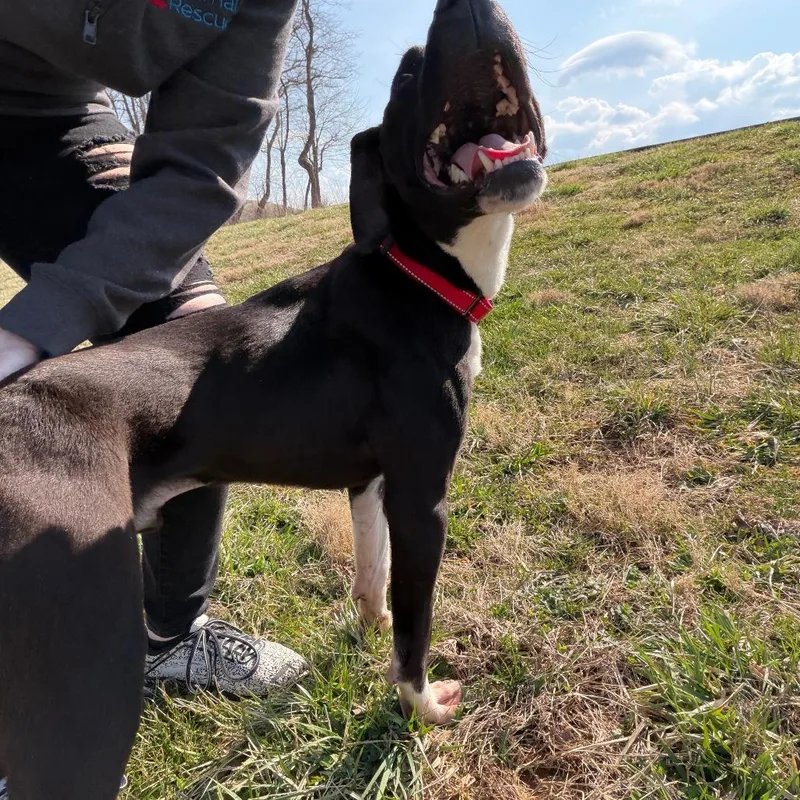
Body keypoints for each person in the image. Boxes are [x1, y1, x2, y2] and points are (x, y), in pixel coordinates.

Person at [0, 0, 308, 704]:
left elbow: (201, 166)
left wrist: (36, 324)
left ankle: (169, 634)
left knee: (190, 343)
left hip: (43, 113)